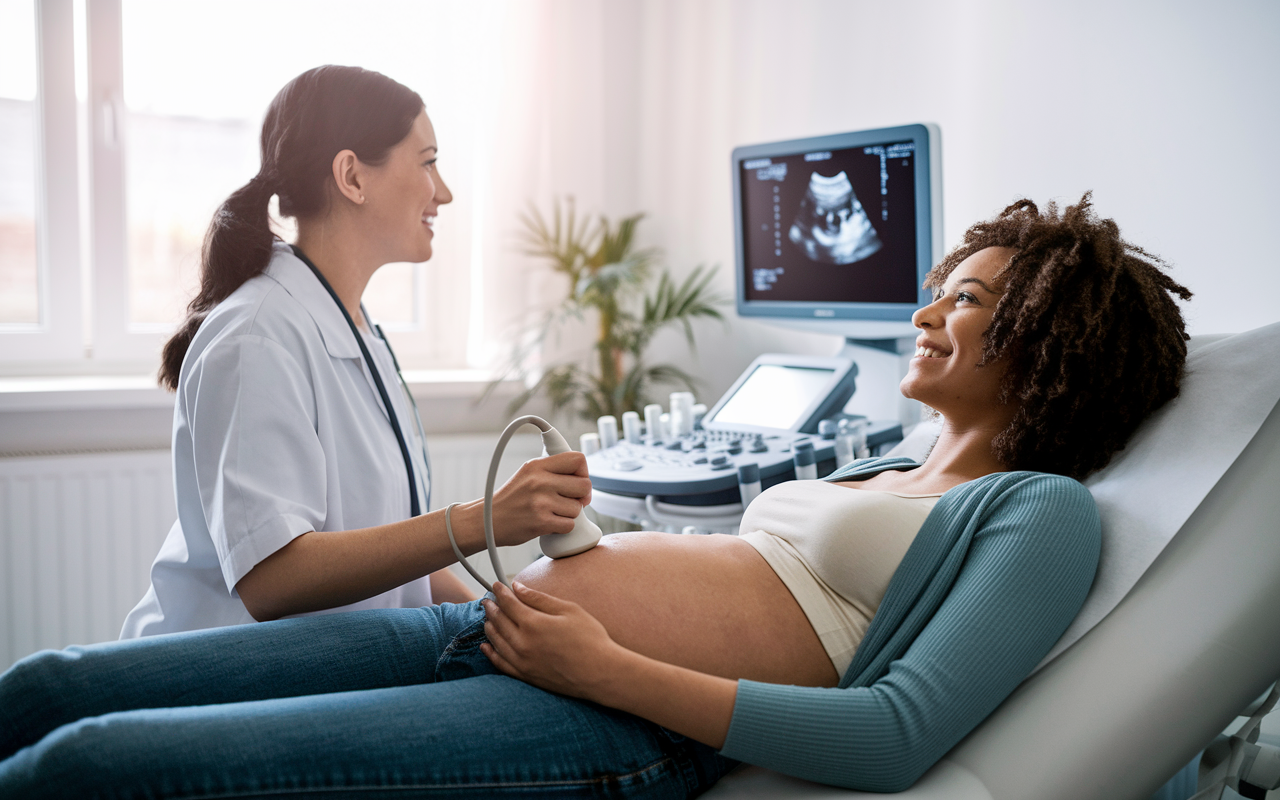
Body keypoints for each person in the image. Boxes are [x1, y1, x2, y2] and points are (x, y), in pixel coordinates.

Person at [0, 195, 1194, 798]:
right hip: (479, 635)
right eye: (938, 289)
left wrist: (601, 667)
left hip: (605, 719)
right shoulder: (880, 467)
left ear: (1050, 341)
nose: (928, 311)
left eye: (969, 299)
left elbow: (889, 735)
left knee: (89, 767)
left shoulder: (1036, 508)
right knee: (43, 689)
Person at [120, 65, 593, 637]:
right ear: (352, 176)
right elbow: (274, 579)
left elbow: (402, 574)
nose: (443, 191)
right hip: (219, 680)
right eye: (427, 162)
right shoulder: (256, 337)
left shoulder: (356, 329)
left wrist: (497, 618)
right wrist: (485, 520)